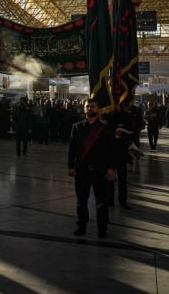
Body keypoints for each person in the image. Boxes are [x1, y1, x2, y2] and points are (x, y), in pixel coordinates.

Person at [67, 99, 118, 239]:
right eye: (87, 106)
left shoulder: (106, 127)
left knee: (102, 202)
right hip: (82, 171)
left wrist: (111, 168)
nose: (90, 108)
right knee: (81, 201)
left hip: (101, 171)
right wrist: (71, 166)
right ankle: (81, 226)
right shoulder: (77, 127)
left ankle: (102, 229)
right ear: (84, 109)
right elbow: (72, 149)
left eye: (93, 106)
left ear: (98, 109)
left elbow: (112, 150)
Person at [108, 101, 143, 208]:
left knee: (122, 179)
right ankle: (110, 201)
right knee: (110, 178)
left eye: (117, 104)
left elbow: (133, 131)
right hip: (110, 153)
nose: (116, 106)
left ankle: (122, 201)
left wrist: (122, 134)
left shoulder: (127, 116)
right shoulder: (108, 116)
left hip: (122, 152)